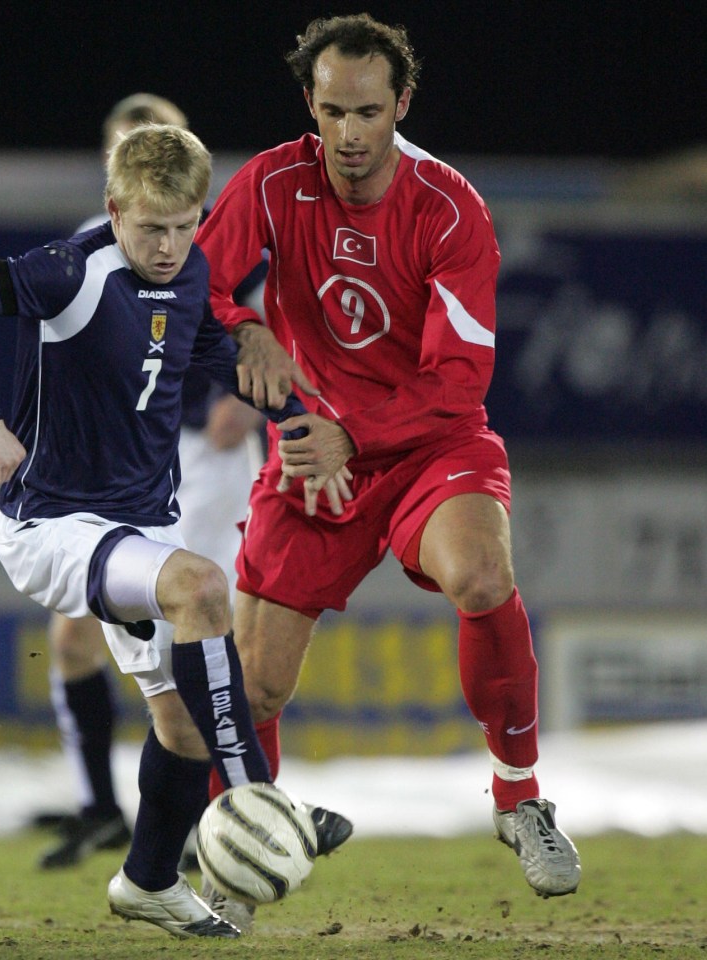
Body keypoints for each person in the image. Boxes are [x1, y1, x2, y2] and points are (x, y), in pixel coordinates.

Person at [0, 122, 349, 940]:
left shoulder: (194, 274)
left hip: (139, 523)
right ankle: (260, 797)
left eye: (187, 225)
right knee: (202, 588)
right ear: (115, 211)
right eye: (152, 227)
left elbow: (225, 358)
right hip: (52, 524)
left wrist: (305, 419)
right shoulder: (71, 270)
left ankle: (147, 880)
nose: (171, 245)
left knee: (180, 725)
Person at [195, 11, 582, 915]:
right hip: (311, 455)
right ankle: (239, 852)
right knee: (254, 685)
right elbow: (196, 284)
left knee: (482, 575)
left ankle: (519, 799)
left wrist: (352, 434)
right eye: (332, 112)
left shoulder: (450, 208)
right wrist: (245, 328)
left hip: (423, 447)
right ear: (311, 105)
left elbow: (460, 380)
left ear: (401, 103)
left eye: (368, 112)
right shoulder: (272, 182)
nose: (350, 133)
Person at [37, 93, 265, 872]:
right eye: (129, 151)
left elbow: (267, 318)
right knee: (78, 637)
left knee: (200, 634)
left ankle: (214, 821)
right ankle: (109, 809)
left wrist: (247, 394)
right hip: (120, 470)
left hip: (202, 459)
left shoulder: (223, 237)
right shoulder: (80, 254)